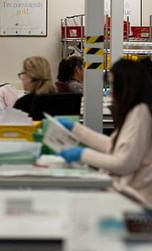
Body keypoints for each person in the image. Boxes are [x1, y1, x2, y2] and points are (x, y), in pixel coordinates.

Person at [58, 59, 152, 207]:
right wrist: (76, 129)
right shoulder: (135, 111)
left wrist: (82, 154)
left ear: (126, 86)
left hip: (136, 202)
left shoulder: (141, 113)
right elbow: (113, 145)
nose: (111, 90)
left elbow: (124, 163)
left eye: (114, 84)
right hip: (126, 195)